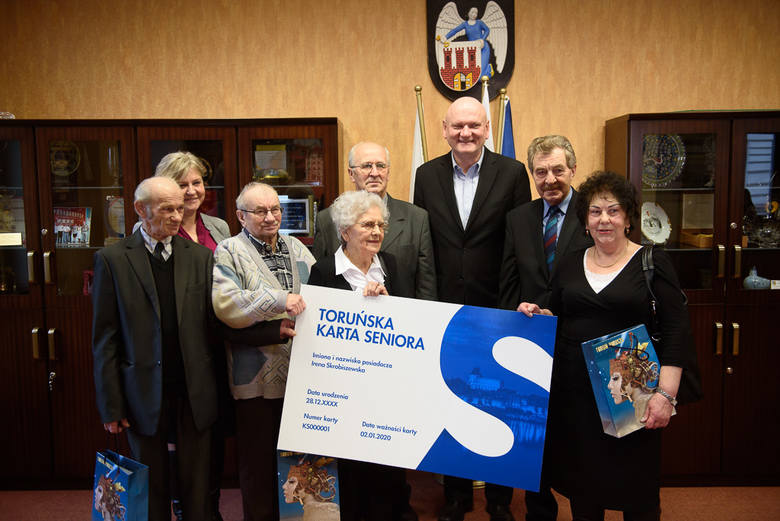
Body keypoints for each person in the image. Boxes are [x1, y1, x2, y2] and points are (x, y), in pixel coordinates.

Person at [518, 171, 696, 521]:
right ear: (585, 221)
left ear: (628, 218)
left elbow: (677, 331)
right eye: (595, 211)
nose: (604, 219)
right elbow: (560, 314)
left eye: (613, 211)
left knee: (637, 493)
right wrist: (538, 313)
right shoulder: (571, 262)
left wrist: (666, 396)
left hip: (629, 395)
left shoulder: (652, 263)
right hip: (575, 398)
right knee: (584, 491)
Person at [413, 95, 531, 521]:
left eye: (474, 125)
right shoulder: (426, 175)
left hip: (498, 308)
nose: (466, 133)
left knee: (500, 403)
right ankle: (456, 497)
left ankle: (499, 500)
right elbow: (424, 242)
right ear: (445, 130)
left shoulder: (513, 173)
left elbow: (520, 241)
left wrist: (512, 304)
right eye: (458, 126)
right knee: (452, 401)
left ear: (486, 129)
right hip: (445, 310)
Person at [92, 176, 218, 521]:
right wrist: (111, 405)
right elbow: (105, 339)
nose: (177, 217)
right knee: (150, 489)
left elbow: (212, 329)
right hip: (141, 392)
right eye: (166, 210)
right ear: (140, 209)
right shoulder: (112, 260)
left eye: (179, 208)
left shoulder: (200, 258)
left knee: (197, 490)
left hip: (193, 392)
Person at [499, 135, 592, 521]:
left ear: (573, 169)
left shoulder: (594, 214)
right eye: (540, 172)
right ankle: (539, 512)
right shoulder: (518, 218)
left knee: (581, 436)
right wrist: (512, 318)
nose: (549, 179)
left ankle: (586, 509)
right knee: (535, 433)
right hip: (531, 340)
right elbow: (508, 281)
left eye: (557, 170)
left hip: (580, 341)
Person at [211, 182, 315, 521]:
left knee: (299, 465)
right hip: (255, 380)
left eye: (275, 209)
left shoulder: (297, 247)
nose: (270, 217)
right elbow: (226, 305)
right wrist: (279, 300)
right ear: (241, 216)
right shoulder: (228, 251)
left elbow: (321, 294)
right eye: (260, 211)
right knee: (258, 468)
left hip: (300, 377)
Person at [308, 190, 413, 521]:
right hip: (345, 391)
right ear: (344, 231)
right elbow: (316, 338)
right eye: (367, 225)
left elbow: (410, 323)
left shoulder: (392, 265)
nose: (377, 232)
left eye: (380, 225)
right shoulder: (324, 271)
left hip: (387, 389)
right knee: (354, 473)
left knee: (389, 472)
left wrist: (387, 305)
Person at [154, 150, 231, 521]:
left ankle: (208, 507)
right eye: (181, 184)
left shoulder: (219, 228)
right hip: (175, 352)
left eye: (196, 182)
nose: (191, 191)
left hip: (215, 345)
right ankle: (183, 506)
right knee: (176, 440)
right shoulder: (152, 229)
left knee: (212, 434)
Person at [313, 141, 436, 302]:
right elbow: (320, 286)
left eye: (380, 166)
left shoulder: (417, 218)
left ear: (388, 172)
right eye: (366, 166)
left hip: (401, 314)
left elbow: (426, 288)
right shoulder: (327, 220)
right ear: (351, 174)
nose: (374, 173)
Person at [608, 348, 660, 425]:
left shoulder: (644, 405)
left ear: (633, 378)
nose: (609, 385)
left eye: (615, 378)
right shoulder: (641, 404)